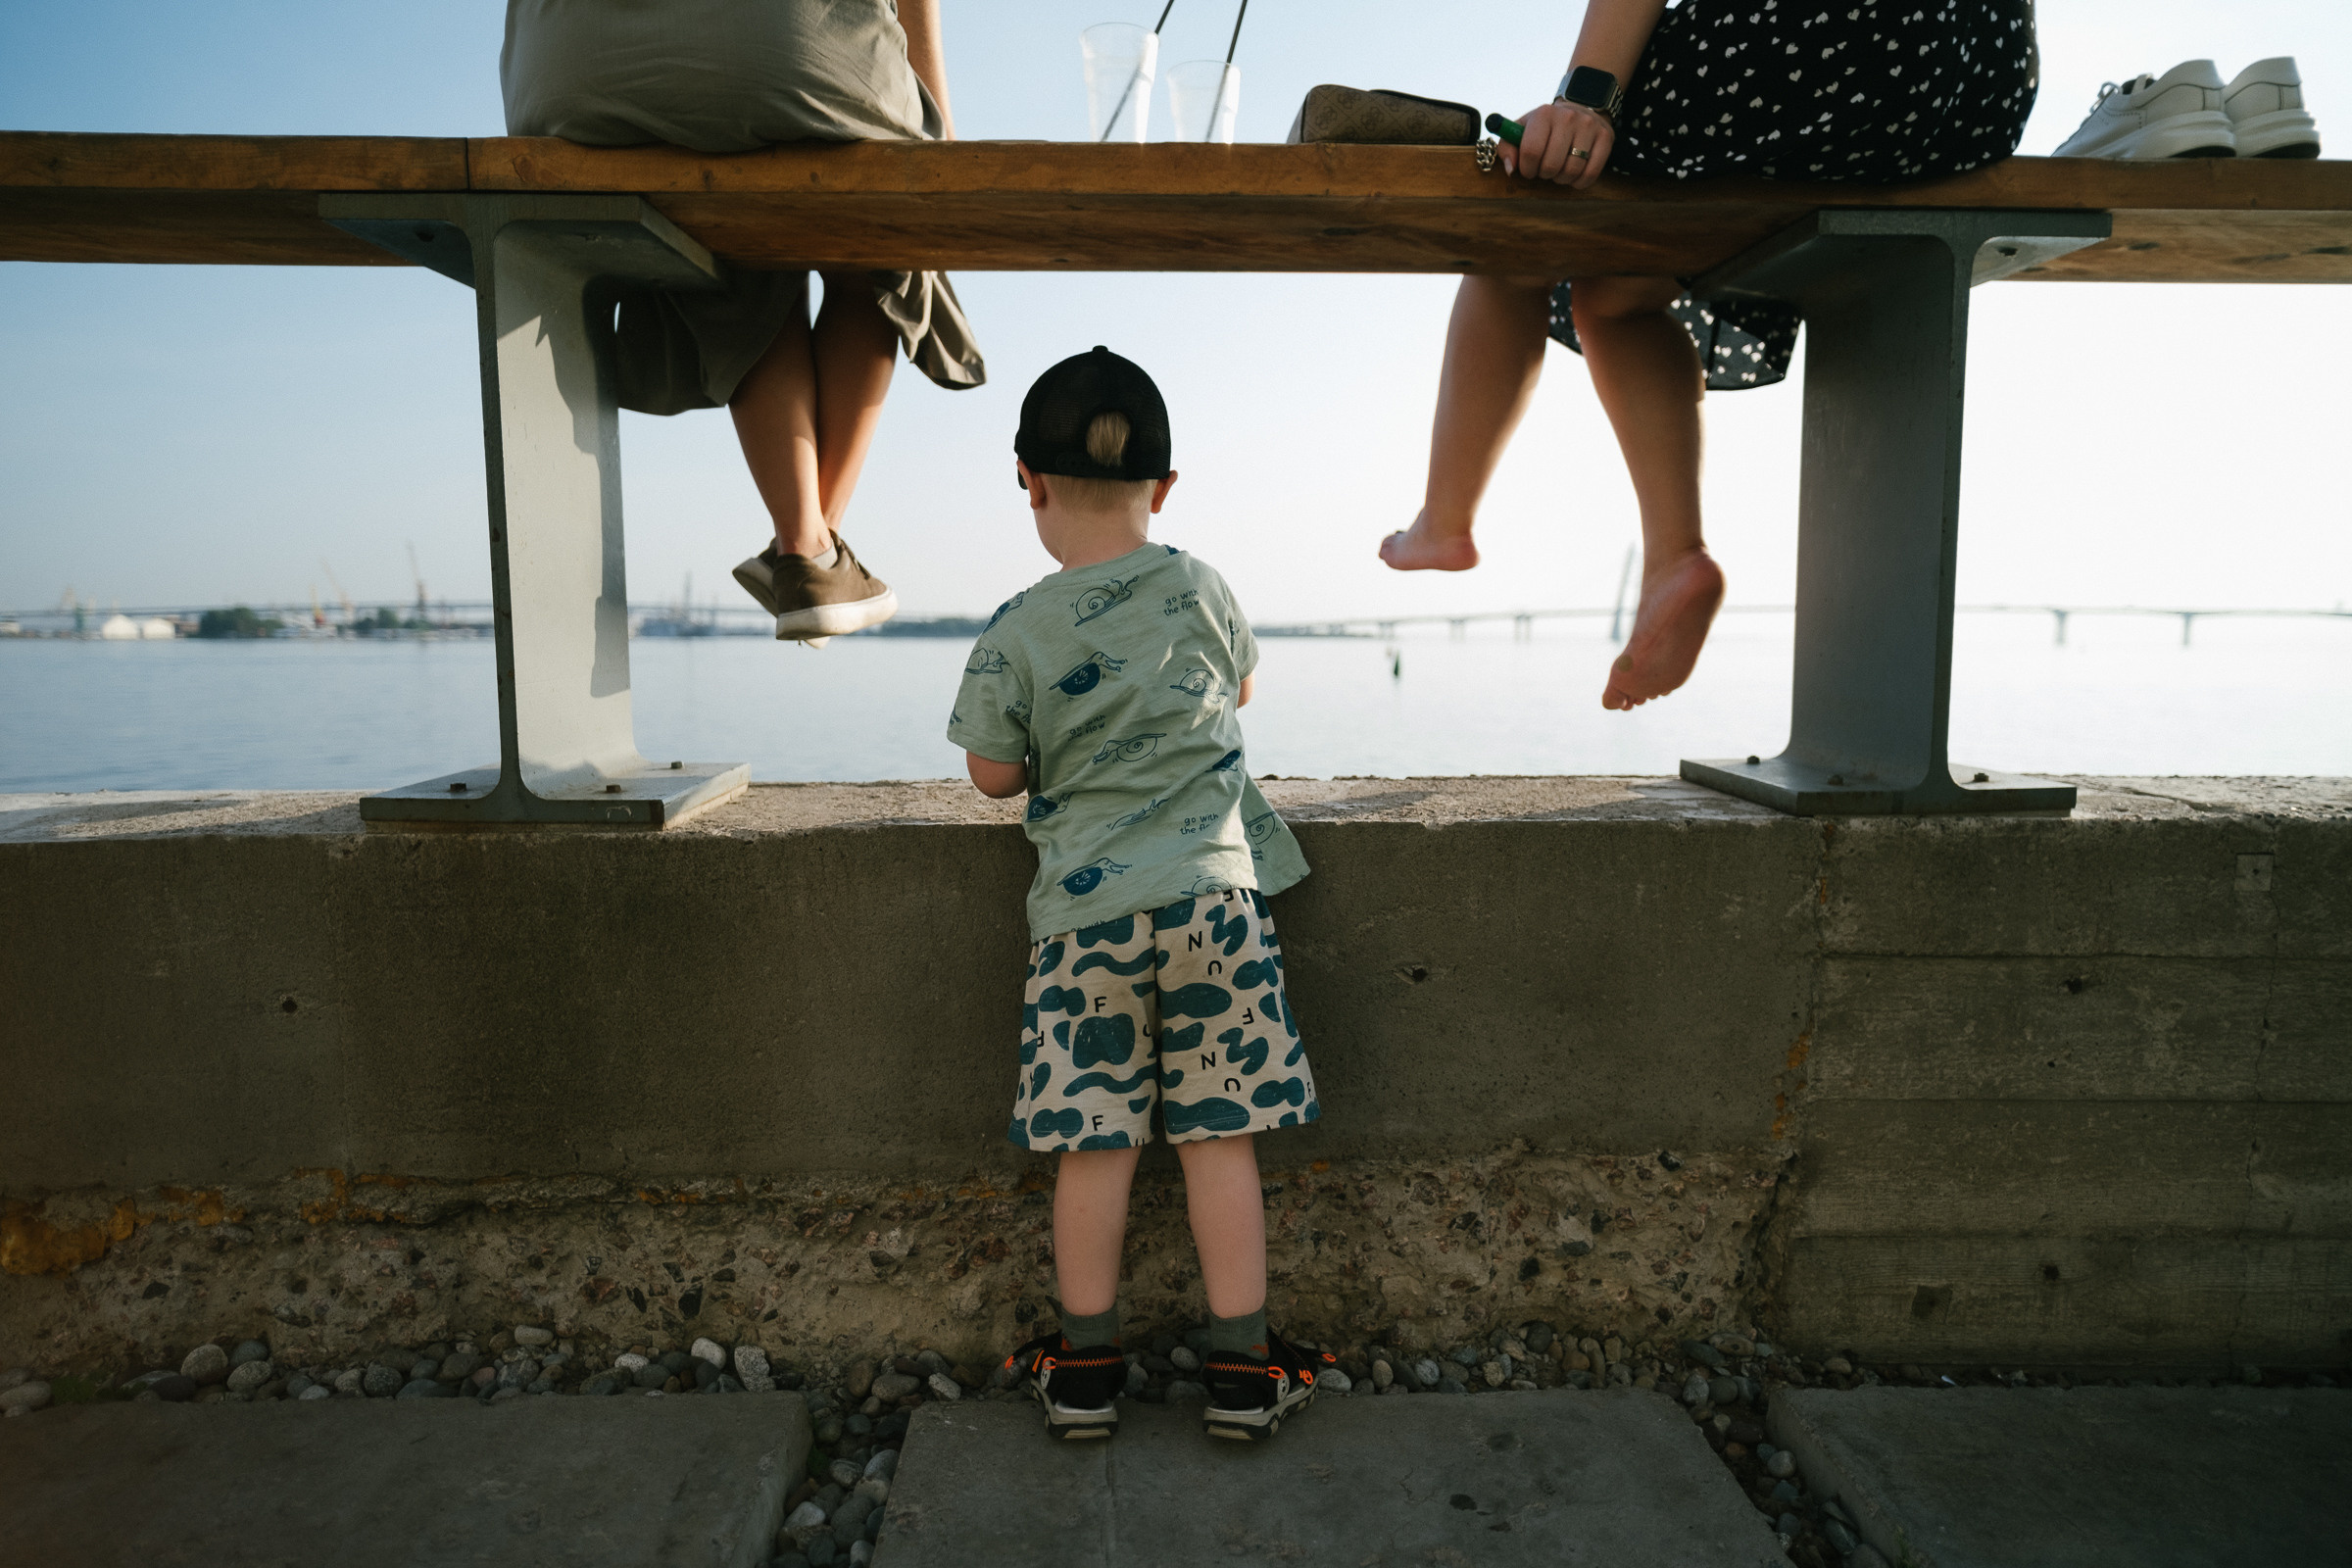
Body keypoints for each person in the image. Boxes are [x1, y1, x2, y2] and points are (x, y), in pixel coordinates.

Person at [1381, 0, 2038, 709]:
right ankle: (1673, 559)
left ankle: (1444, 521)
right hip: (1981, 89)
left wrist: (1585, 101)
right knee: (1615, 295)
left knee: (1523, 199)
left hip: (1835, 46)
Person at [949, 346, 1333, 1444]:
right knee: (1220, 1141)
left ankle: (1084, 1372)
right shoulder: (1203, 586)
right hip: (1217, 904)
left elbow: (992, 775)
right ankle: (1244, 1371)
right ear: (1163, 488)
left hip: (1086, 925)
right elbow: (1241, 684)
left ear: (1027, 480)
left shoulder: (1017, 626)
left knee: (1094, 1145)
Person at [501, 0, 986, 645]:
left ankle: (808, 549)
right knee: (874, 246)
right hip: (787, 48)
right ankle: (809, 553)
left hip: (568, 76)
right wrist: (937, 131)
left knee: (745, 252)